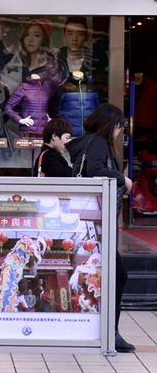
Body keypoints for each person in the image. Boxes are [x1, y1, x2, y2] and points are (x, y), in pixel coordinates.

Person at [67, 104, 135, 352]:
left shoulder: (88, 143)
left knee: (107, 275)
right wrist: (123, 179)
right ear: (111, 124)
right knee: (117, 276)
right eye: (120, 125)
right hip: (97, 224)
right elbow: (96, 171)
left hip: (95, 223)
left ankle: (103, 330)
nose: (120, 131)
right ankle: (110, 332)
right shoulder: (97, 144)